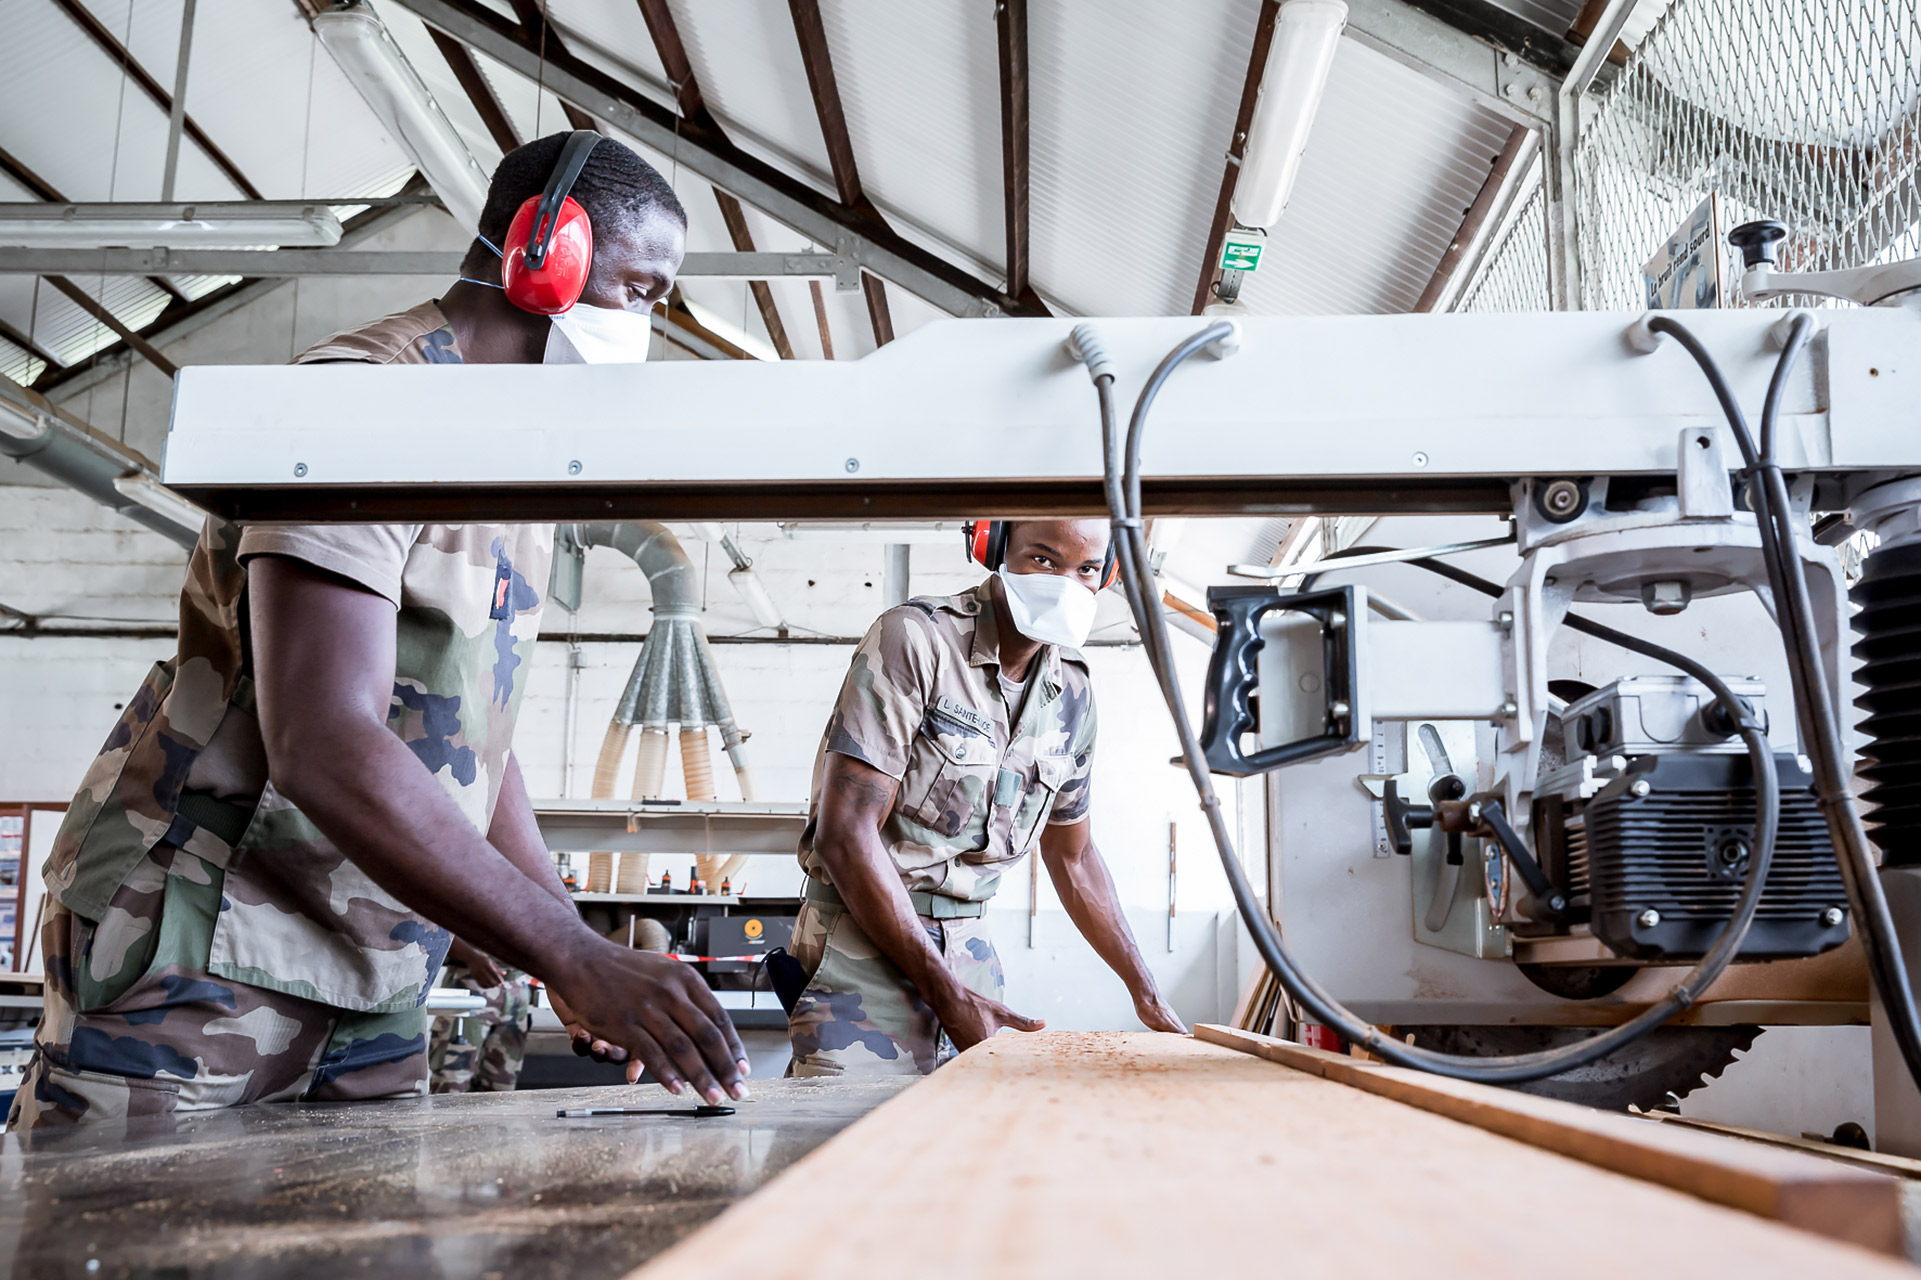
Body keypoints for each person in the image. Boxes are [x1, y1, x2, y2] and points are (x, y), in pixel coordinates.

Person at [12, 131, 747, 1130]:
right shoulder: (367, 400)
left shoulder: (514, 461)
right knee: (119, 1211)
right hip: (200, 933)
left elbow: (473, 735)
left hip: (372, 952)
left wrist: (564, 946)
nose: (646, 327)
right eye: (643, 289)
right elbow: (323, 737)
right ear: (549, 251)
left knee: (362, 1211)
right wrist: (572, 954)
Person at [785, 519, 1185, 1076]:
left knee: (969, 1124)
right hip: (861, 947)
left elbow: (1073, 856)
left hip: (970, 953)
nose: (1065, 583)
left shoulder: (1072, 691)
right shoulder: (917, 639)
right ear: (994, 546)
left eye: (1087, 569)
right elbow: (846, 836)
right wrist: (949, 999)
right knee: (850, 1123)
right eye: (1043, 559)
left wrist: (1146, 991)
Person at [427, 940, 532, 1094]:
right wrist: (471, 957)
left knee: (503, 1088)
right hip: (469, 981)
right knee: (452, 1083)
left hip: (518, 986)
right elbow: (442, 929)